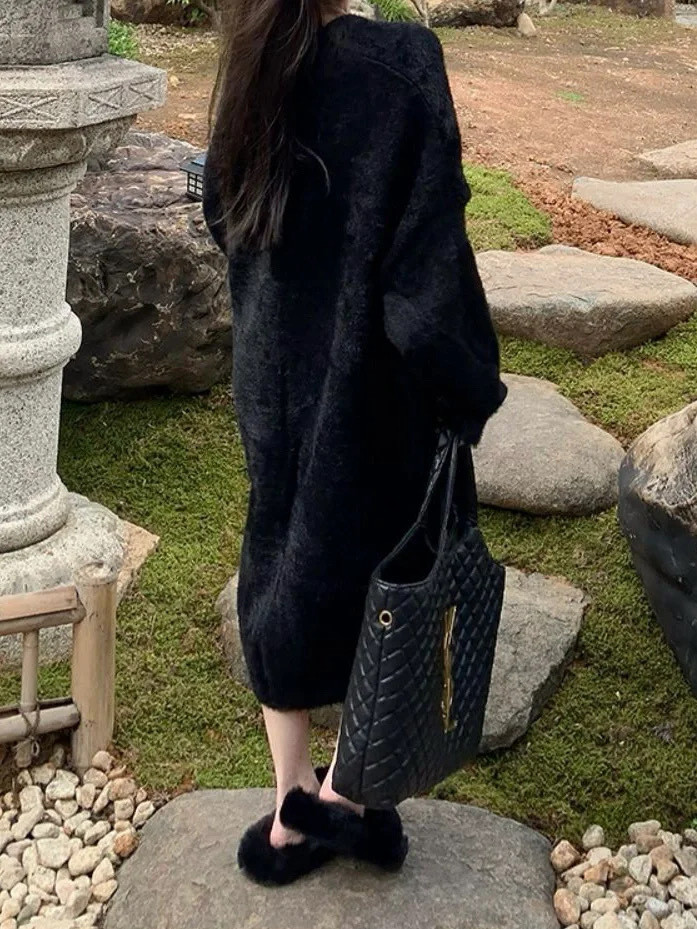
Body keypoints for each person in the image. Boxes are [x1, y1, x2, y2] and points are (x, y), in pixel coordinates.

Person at [203, 0, 506, 887]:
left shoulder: (252, 61)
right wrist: (467, 384)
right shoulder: (400, 62)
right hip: (373, 387)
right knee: (388, 574)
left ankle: (291, 798)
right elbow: (428, 267)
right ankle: (345, 793)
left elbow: (223, 213)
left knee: (280, 562)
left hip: (271, 377)